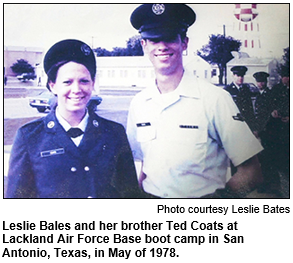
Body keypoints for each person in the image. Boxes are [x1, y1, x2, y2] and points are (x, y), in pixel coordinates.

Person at [127, 4, 263, 198]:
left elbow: (252, 172)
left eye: (169, 38)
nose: (162, 46)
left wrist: (219, 203)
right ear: (144, 46)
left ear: (184, 43)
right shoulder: (139, 103)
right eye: (154, 40)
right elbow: (141, 165)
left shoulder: (215, 99)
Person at [6, 39, 142, 198]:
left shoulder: (114, 133)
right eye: (67, 82)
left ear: (93, 84)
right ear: (52, 85)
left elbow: (130, 196)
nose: (76, 90)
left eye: (84, 81)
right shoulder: (29, 137)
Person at [252, 72, 280, 196]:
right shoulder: (254, 94)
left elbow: (270, 114)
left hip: (268, 131)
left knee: (269, 159)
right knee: (259, 160)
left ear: (266, 82)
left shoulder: (271, 94)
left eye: (262, 81)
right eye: (258, 81)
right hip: (256, 131)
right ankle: (261, 184)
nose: (260, 84)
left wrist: (260, 129)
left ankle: (270, 185)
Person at [224, 66, 257, 133]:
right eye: (238, 76)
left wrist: (254, 127)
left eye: (242, 76)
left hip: (245, 123)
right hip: (232, 124)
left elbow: (250, 108)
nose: (240, 78)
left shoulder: (246, 89)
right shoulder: (227, 90)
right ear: (233, 76)